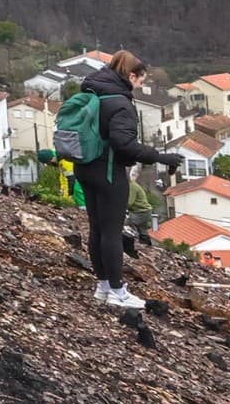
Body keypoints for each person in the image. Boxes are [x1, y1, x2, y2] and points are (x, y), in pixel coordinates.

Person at [77, 52, 184, 310]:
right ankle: (118, 291)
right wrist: (161, 156)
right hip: (109, 172)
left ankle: (103, 286)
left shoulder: (92, 89)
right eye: (139, 82)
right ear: (131, 75)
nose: (139, 87)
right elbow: (124, 145)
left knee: (97, 229)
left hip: (84, 167)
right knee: (112, 233)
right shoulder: (120, 103)